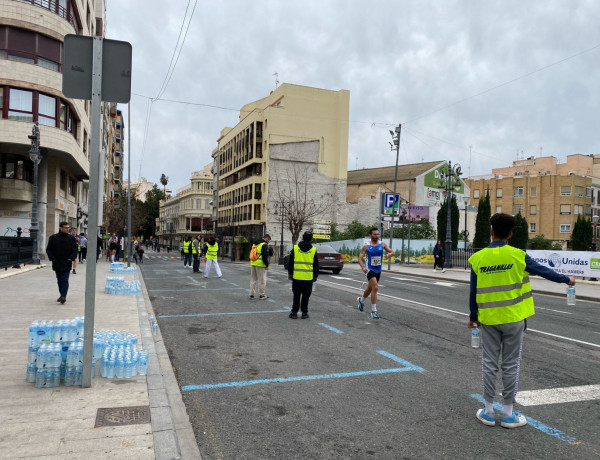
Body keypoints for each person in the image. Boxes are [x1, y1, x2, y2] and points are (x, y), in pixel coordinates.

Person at [468, 213, 575, 429]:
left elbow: (473, 292)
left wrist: (473, 317)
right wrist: (566, 279)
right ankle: (508, 414)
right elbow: (543, 271)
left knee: (489, 364)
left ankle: (488, 412)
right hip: (514, 319)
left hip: (488, 319)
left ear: (491, 231)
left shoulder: (478, 258)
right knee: (510, 364)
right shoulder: (518, 255)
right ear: (510, 233)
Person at [357, 227, 394, 319]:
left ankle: (361, 300)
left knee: (370, 289)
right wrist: (363, 267)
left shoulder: (382, 244)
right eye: (374, 234)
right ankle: (374, 311)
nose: (376, 236)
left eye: (378, 234)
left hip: (378, 269)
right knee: (376, 287)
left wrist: (389, 254)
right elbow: (360, 258)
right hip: (370, 269)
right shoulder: (366, 246)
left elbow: (392, 251)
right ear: (370, 235)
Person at [287, 231, 319, 319]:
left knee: (296, 296)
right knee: (306, 296)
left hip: (297, 277)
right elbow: (316, 265)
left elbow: (290, 262)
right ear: (311, 239)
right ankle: (304, 313)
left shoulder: (296, 248)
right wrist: (315, 276)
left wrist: (290, 274)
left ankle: (294, 313)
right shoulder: (313, 250)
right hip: (308, 278)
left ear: (302, 237)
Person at [46, 222, 78, 304]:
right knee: (59, 280)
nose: (67, 229)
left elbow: (75, 250)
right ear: (60, 228)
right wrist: (52, 258)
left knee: (64, 279)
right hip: (57, 262)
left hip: (67, 262)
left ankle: (63, 296)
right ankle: (62, 295)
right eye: (65, 227)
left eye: (68, 227)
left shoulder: (71, 238)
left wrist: (71, 258)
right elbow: (49, 249)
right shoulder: (53, 238)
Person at [249, 234, 271, 299]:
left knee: (253, 279)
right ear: (266, 238)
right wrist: (266, 265)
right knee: (262, 280)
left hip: (253, 262)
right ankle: (262, 295)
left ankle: (251, 294)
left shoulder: (254, 244)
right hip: (260, 264)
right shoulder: (264, 245)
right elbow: (265, 256)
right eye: (268, 240)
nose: (268, 241)